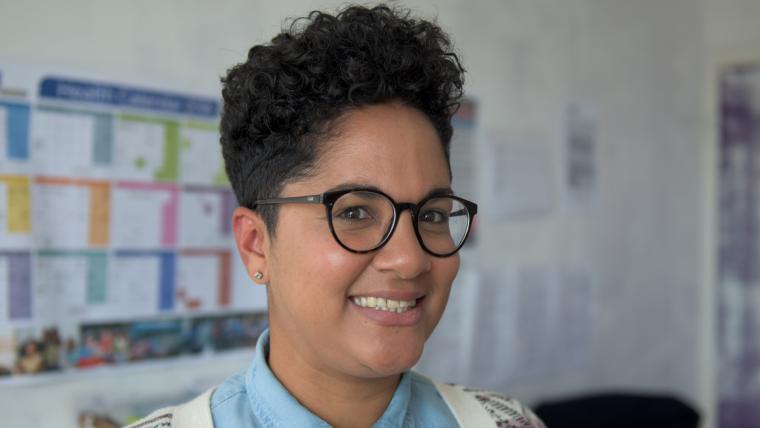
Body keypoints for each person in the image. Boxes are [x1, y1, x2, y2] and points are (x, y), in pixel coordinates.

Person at [128, 4, 545, 427]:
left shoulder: (505, 422)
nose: (410, 259)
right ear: (256, 246)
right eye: (356, 211)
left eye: (433, 216)